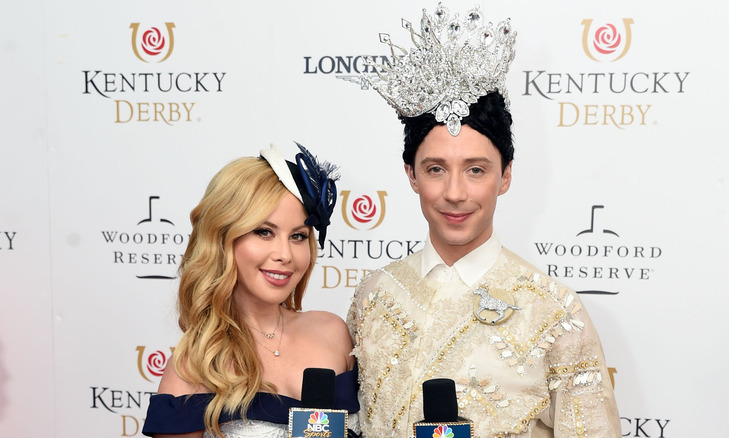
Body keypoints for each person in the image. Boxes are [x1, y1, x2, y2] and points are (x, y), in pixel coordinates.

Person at [347, 4, 620, 437]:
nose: (455, 192)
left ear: (505, 176)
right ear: (411, 175)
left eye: (476, 169)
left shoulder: (553, 309)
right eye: (436, 168)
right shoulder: (374, 295)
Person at [142, 144, 359, 438]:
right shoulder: (196, 365)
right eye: (264, 232)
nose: (285, 254)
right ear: (222, 238)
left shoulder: (332, 331)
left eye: (298, 236)